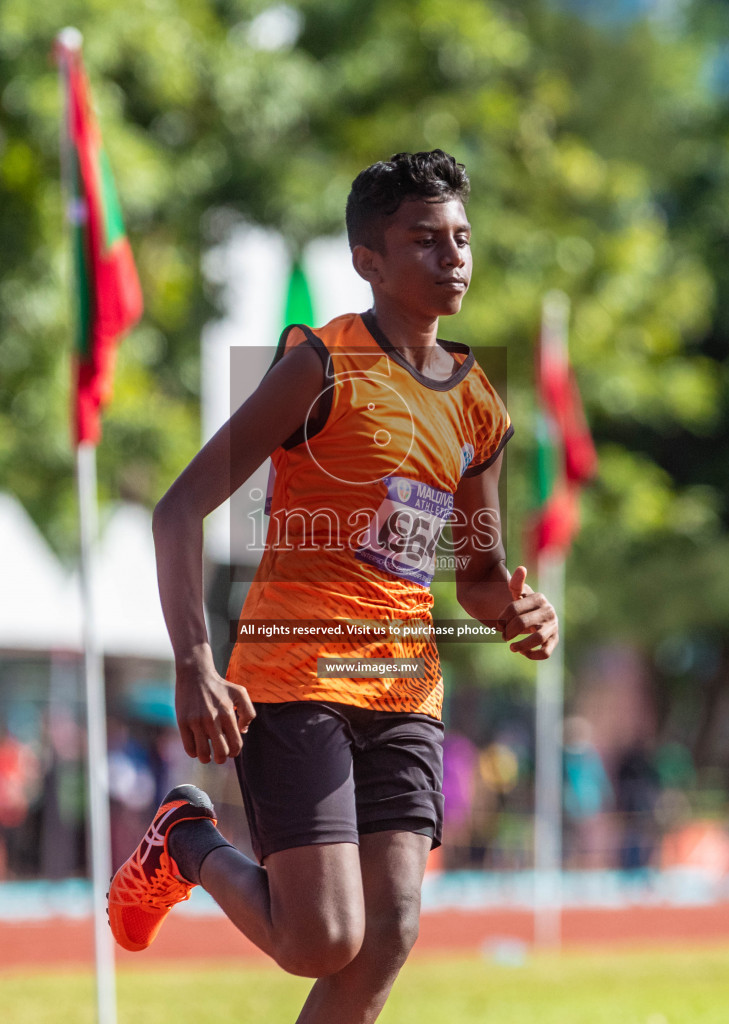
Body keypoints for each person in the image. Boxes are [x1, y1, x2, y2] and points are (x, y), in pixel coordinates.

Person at [113, 151, 557, 1023]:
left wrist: (517, 609)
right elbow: (178, 512)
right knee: (320, 939)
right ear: (369, 260)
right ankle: (185, 839)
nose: (453, 256)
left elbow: (476, 576)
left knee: (390, 932)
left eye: (462, 238)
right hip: (294, 675)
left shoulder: (478, 405)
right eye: (424, 240)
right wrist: (195, 662)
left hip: (406, 686)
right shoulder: (319, 365)